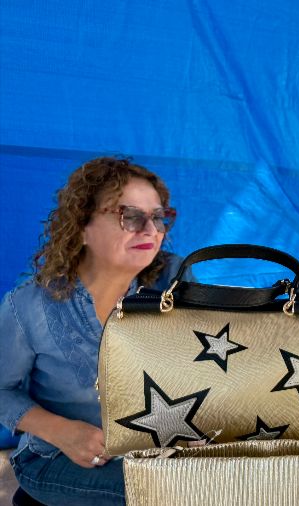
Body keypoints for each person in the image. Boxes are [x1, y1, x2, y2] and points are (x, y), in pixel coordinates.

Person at [0, 157, 182, 506]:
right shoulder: (28, 305)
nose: (150, 230)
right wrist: (61, 431)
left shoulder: (175, 285)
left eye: (159, 217)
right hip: (55, 459)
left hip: (157, 456)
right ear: (82, 226)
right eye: (130, 216)